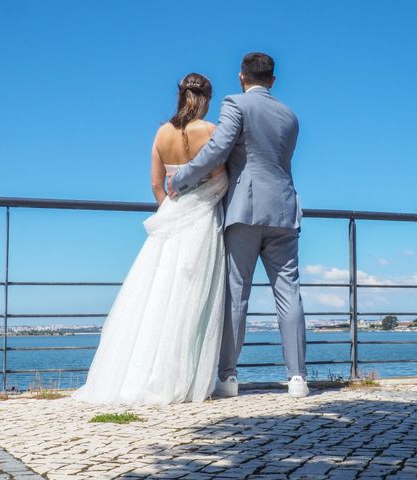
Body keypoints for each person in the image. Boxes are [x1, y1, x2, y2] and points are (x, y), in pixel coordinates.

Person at [73, 73, 228, 405]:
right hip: (201, 221)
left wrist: (172, 209)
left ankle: (140, 373)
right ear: (208, 99)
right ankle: (182, 378)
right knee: (192, 299)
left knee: (156, 294)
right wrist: (197, 206)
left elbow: (157, 184)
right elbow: (220, 182)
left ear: (180, 95)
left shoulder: (161, 132)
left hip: (169, 218)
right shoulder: (211, 132)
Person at [169, 52, 308, 398]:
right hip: (285, 211)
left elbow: (218, 149)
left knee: (236, 295)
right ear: (273, 80)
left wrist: (182, 178)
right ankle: (297, 379)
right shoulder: (290, 116)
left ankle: (228, 377)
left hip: (245, 210)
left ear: (242, 77)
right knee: (289, 293)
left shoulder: (236, 104)